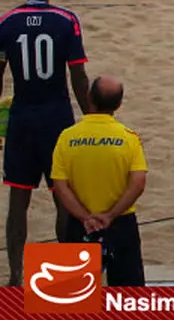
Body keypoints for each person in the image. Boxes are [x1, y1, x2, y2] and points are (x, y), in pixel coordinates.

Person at [0, 0, 90, 287]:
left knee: (18, 201)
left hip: (23, 117)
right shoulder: (66, 21)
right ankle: (66, 278)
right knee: (62, 198)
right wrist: (93, 117)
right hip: (57, 118)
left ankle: (15, 277)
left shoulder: (7, 22)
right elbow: (78, 76)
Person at [50, 76, 147, 287]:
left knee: (70, 302)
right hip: (120, 223)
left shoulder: (67, 137)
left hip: (80, 224)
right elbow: (138, 183)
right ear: (118, 105)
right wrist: (110, 215)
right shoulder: (128, 139)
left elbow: (60, 186)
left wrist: (85, 217)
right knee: (129, 301)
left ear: (89, 98)